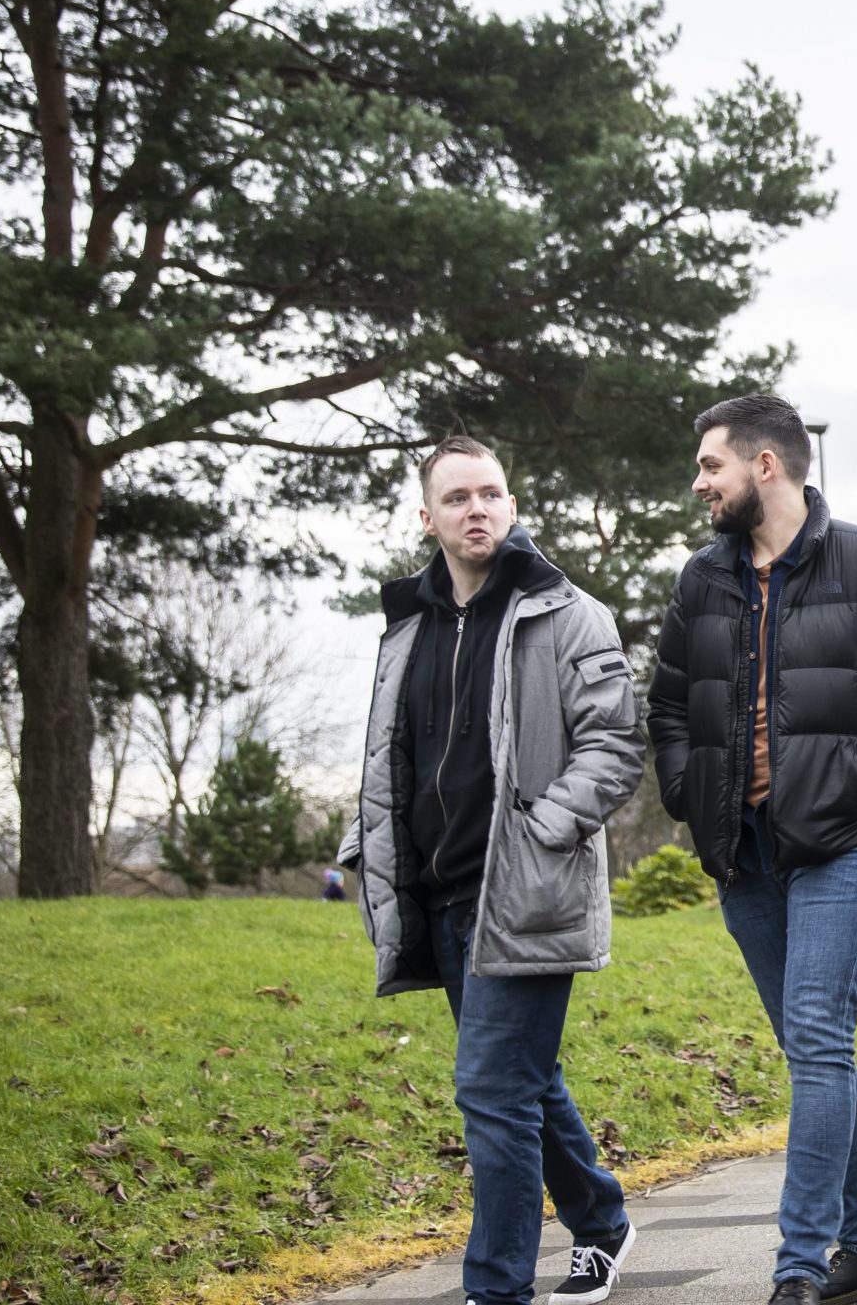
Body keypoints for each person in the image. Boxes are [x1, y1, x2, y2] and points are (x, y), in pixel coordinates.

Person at [341, 437, 644, 1305]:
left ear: (512, 506)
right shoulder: (407, 628)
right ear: (427, 516)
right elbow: (391, 754)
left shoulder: (567, 613)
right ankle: (601, 1218)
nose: (478, 509)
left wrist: (544, 828)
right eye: (458, 497)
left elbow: (615, 744)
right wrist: (365, 848)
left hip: (525, 890)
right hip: (438, 896)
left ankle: (496, 1289)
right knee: (522, 1083)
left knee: (488, 1091)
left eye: (492, 494)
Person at [648, 395, 857, 1305]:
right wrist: (690, 793)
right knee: (815, 1051)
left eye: (710, 466)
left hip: (840, 842)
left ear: (765, 466)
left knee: (816, 1036)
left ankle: (800, 1264)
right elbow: (670, 706)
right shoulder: (701, 579)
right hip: (744, 848)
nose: (699, 483)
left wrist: (855, 777)